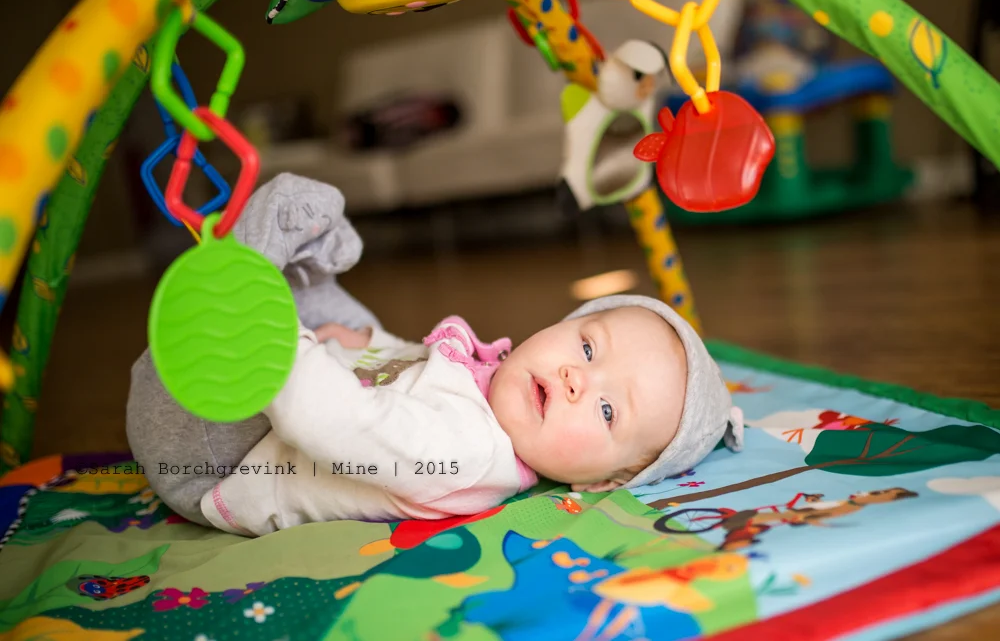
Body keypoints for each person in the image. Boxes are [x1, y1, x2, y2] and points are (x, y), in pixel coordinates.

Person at [126, 175, 743, 537]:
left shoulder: (469, 456)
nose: (577, 378)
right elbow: (412, 369)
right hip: (290, 411)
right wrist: (367, 348)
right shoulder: (493, 389)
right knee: (365, 331)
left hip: (218, 458)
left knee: (275, 325)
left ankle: (254, 276)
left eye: (609, 412)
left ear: (603, 481)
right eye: (586, 346)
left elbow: (339, 423)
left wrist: (285, 339)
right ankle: (300, 277)